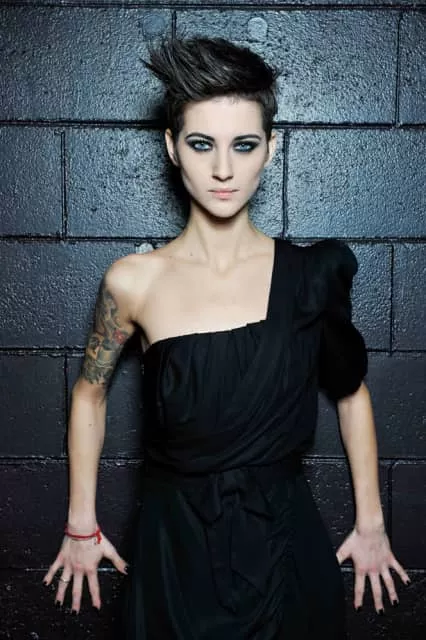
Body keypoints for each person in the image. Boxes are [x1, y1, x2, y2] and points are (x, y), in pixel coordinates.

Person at [42, 37, 410, 638]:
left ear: (270, 148)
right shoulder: (134, 281)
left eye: (243, 145)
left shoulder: (310, 276)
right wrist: (80, 524)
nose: (223, 169)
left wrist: (372, 524)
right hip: (174, 552)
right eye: (201, 144)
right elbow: (89, 393)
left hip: (285, 550)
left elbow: (351, 393)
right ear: (172, 147)